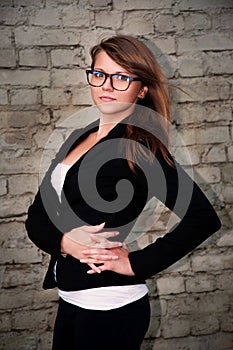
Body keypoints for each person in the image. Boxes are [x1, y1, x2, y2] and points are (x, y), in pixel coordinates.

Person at [25, 35, 221, 350]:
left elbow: (203, 218)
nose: (106, 85)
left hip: (111, 306)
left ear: (142, 89)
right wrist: (67, 243)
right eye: (100, 74)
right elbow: (36, 217)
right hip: (72, 299)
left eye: (121, 77)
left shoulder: (140, 148)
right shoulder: (80, 135)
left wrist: (136, 264)